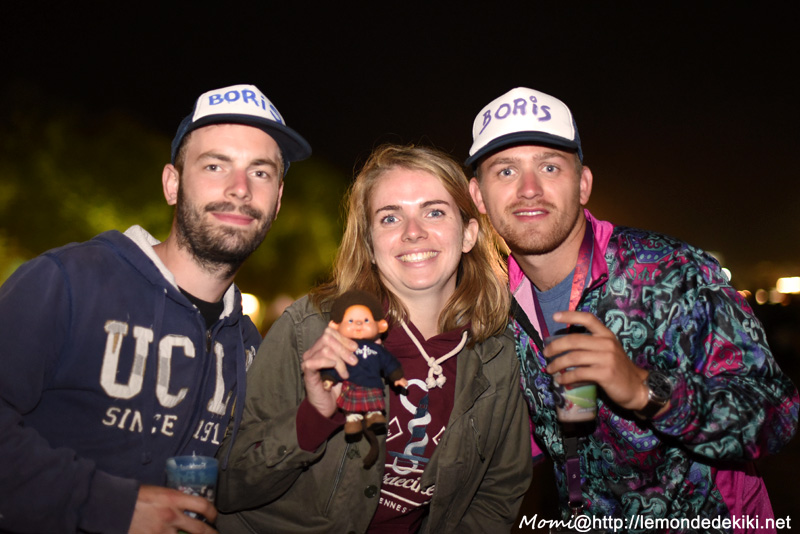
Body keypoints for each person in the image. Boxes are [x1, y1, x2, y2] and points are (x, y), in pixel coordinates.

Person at [466, 87, 799, 526]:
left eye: (549, 166)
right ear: (479, 196)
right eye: (506, 170)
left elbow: (778, 415)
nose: (529, 189)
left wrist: (646, 391)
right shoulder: (494, 307)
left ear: (583, 184)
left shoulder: (672, 272)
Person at [0, 83, 311, 534]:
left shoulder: (247, 346)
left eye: (260, 172)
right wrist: (111, 506)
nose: (239, 189)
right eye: (215, 165)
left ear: (277, 201)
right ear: (172, 184)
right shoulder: (69, 282)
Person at [215, 144, 532, 533]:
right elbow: (227, 487)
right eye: (390, 218)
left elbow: (497, 495)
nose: (413, 232)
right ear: (368, 244)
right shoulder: (308, 328)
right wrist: (314, 416)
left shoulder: (498, 355)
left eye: (434, 212)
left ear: (468, 234)